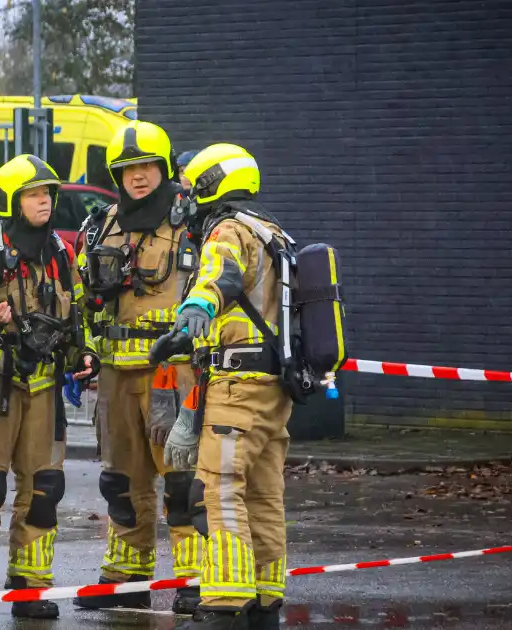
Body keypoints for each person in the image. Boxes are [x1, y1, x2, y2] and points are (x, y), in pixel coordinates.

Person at [0, 154, 98, 620]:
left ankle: (30, 585)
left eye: (47, 193)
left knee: (45, 487)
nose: (44, 201)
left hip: (44, 386)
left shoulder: (62, 254)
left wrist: (83, 355)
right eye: (33, 194)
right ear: (11, 201)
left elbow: (77, 315)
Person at [72, 120, 206, 615]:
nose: (139, 176)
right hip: (115, 375)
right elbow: (83, 300)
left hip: (174, 372)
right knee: (121, 482)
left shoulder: (191, 222)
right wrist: (83, 352)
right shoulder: (103, 225)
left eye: (147, 166)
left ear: (164, 167)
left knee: (182, 480)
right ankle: (125, 576)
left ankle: (194, 579)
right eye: (128, 169)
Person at [159, 143, 293, 630]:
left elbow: (221, 273)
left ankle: (225, 602)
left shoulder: (228, 229)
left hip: (236, 387)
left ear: (211, 184)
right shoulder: (273, 232)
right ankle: (265, 600)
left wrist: (198, 307)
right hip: (273, 387)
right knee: (264, 494)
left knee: (218, 489)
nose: (187, 198)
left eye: (191, 188)